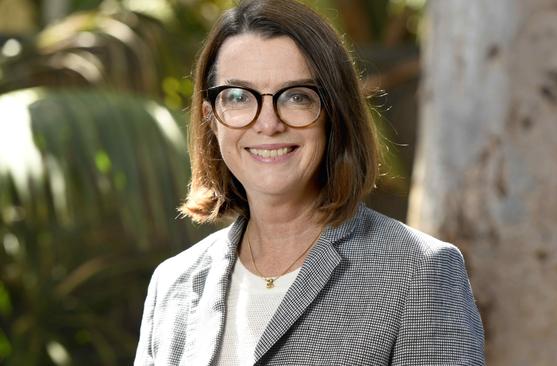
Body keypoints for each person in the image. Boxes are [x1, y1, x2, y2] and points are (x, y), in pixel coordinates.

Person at [134, 0, 485, 364]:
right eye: (238, 97)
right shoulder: (172, 283)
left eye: (296, 97)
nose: (268, 123)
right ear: (211, 118)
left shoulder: (419, 272)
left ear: (334, 113)